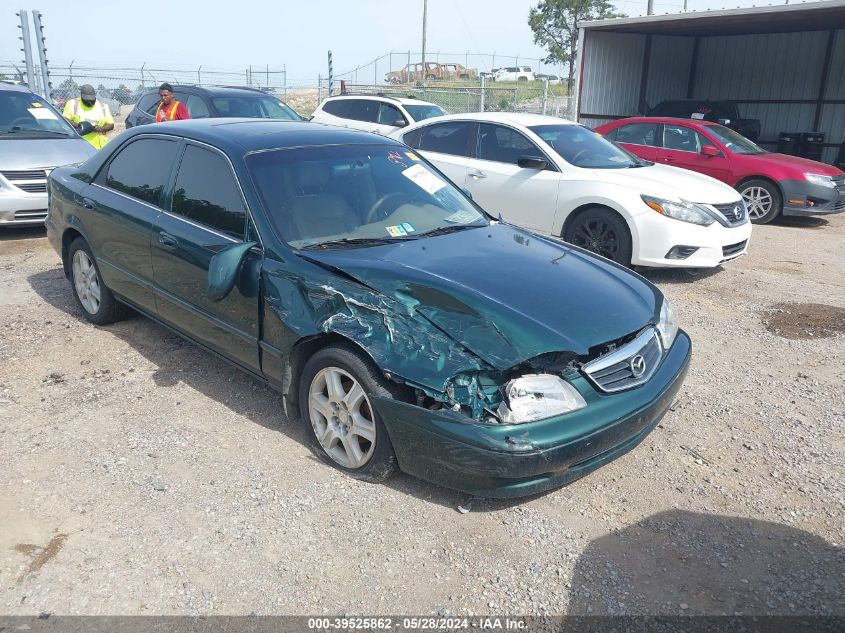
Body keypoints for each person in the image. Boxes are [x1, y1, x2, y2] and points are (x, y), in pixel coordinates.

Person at [62, 84, 114, 149]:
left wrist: (101, 128)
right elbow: (65, 120)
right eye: (86, 100)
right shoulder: (72, 104)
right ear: (81, 95)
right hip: (80, 146)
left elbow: (111, 124)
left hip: (100, 148)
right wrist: (80, 126)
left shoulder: (103, 106)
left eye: (91, 100)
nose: (89, 102)